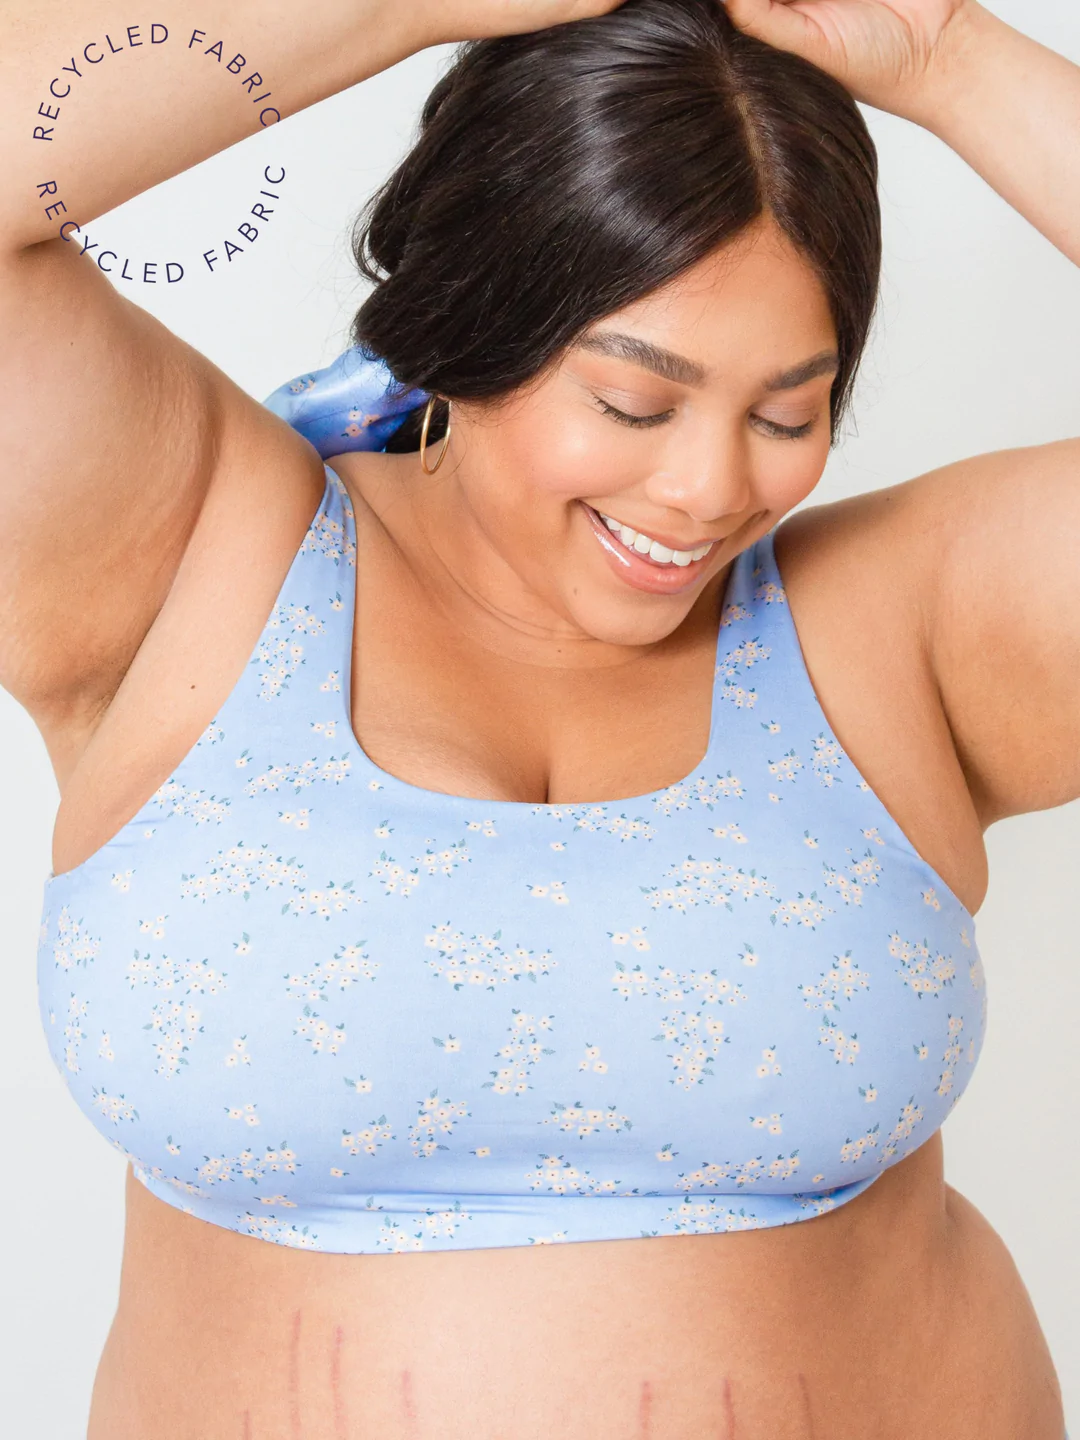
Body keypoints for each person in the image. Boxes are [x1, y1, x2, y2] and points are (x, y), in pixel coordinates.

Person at [1, 0, 1075, 1436]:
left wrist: (944, 53)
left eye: (786, 415)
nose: (709, 491)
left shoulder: (904, 627)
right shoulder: (188, 551)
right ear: (466, 327)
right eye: (634, 403)